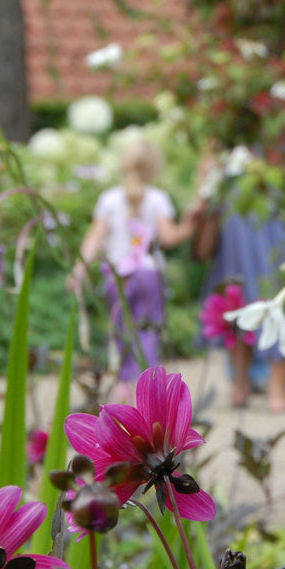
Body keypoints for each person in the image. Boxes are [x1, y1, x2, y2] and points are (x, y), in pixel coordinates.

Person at [200, 149, 285, 412]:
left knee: (238, 293)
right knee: (284, 287)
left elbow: (208, 171)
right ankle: (277, 391)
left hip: (236, 207)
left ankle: (240, 387)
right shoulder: (277, 131)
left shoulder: (227, 133)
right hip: (274, 200)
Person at [69, 137, 204, 402]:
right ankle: (149, 392)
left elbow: (94, 239)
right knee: (148, 331)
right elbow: (169, 238)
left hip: (116, 276)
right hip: (147, 275)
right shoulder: (157, 199)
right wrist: (190, 223)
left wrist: (78, 271)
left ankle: (122, 386)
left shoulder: (108, 199)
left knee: (120, 329)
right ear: (154, 168)